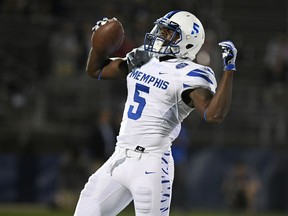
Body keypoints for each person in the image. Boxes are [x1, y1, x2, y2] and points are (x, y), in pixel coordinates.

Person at [74, 10, 238, 216]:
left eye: (169, 33)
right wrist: (98, 47)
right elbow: (96, 70)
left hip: (151, 165)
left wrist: (229, 70)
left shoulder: (190, 73)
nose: (160, 35)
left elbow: (214, 114)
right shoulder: (144, 55)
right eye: (161, 29)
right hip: (119, 157)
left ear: (188, 42)